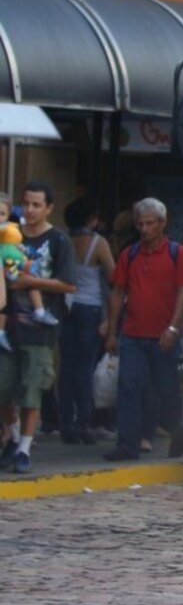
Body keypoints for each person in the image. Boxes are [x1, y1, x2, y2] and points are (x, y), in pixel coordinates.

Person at [103, 197, 183, 462]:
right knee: (129, 387)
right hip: (133, 333)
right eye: (140, 224)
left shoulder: (178, 254)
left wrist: (173, 328)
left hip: (162, 333)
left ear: (163, 224)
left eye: (150, 224)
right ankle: (127, 444)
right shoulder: (129, 254)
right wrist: (111, 331)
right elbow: (118, 292)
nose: (144, 229)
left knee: (166, 388)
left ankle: (177, 427)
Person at [0, 181, 76, 474]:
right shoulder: (9, 233)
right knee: (4, 388)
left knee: (32, 389)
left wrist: (32, 283)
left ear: (49, 208)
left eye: (36, 205)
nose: (29, 210)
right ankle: (14, 435)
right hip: (8, 325)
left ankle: (24, 448)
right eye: (26, 204)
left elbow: (68, 283)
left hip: (39, 330)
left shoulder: (59, 241)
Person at [58, 197, 115, 445]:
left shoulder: (63, 240)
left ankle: (65, 423)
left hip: (66, 307)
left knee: (66, 368)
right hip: (91, 310)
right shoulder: (98, 243)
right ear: (91, 219)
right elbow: (114, 275)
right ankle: (84, 422)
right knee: (85, 368)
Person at [0, 192, 61, 353]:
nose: (30, 209)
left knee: (30, 279)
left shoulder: (12, 230)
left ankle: (39, 311)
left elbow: (17, 245)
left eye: (2, 213)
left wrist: (23, 252)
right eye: (26, 204)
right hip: (6, 272)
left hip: (12, 268)